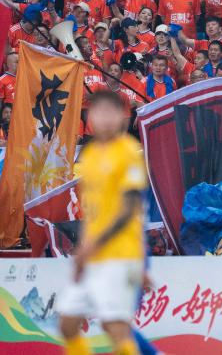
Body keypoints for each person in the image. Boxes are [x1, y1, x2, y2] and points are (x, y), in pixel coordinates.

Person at [58, 90, 147, 355]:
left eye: (111, 112)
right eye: (99, 112)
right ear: (90, 118)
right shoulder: (90, 155)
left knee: (114, 326)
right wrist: (83, 250)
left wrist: (94, 245)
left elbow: (128, 210)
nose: (105, 118)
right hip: (93, 254)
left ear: (122, 117)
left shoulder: (129, 152)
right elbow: (92, 212)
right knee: (67, 323)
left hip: (120, 254)